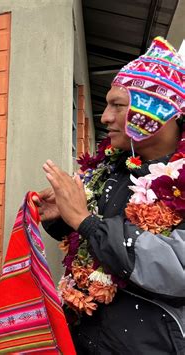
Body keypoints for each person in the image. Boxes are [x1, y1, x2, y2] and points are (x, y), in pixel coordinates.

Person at [34, 37, 184, 354]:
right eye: (106, 104)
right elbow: (92, 240)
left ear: (160, 110)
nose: (105, 117)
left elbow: (178, 272)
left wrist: (86, 221)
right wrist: (63, 217)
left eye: (118, 104)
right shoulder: (113, 168)